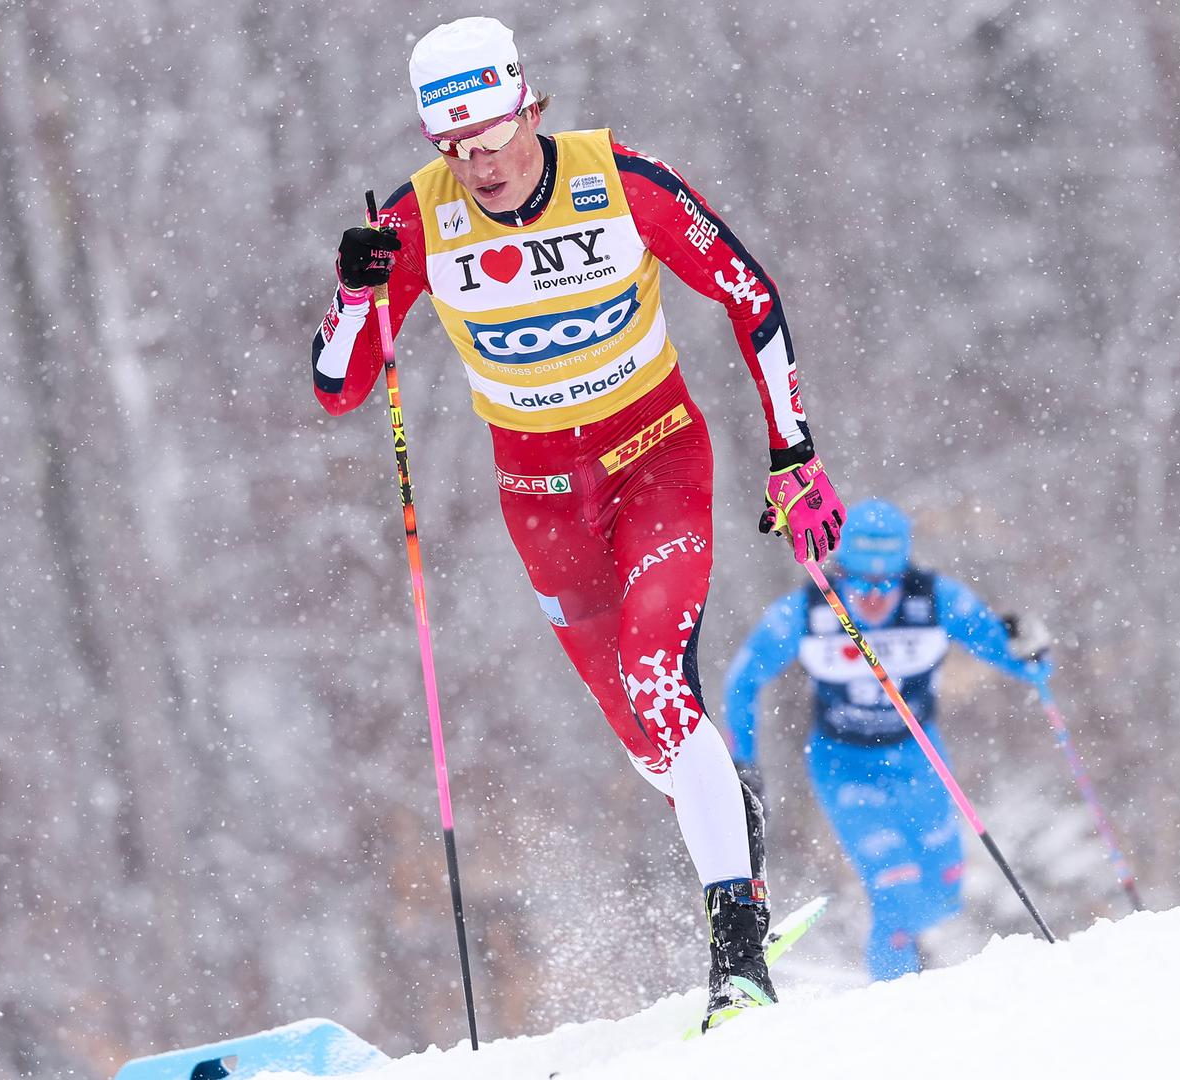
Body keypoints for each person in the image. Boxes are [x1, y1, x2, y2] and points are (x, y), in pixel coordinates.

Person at [309, 17, 846, 1029]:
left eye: (494, 135)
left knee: (659, 676)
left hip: (656, 457)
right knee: (645, 734)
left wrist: (795, 452)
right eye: (455, 148)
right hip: (541, 496)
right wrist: (355, 293)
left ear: (529, 107)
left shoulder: (620, 180)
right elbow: (340, 387)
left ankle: (737, 955)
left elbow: (750, 295)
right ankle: (729, 808)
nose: (483, 165)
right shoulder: (418, 223)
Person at [721, 499, 1052, 981]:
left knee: (944, 885)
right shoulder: (809, 609)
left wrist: (1032, 651)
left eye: (886, 584)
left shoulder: (935, 599)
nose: (873, 597)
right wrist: (742, 761)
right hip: (843, 764)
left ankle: (910, 951)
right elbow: (742, 680)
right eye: (861, 583)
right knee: (894, 879)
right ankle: (895, 985)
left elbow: (1016, 657)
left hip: (918, 756)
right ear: (842, 570)